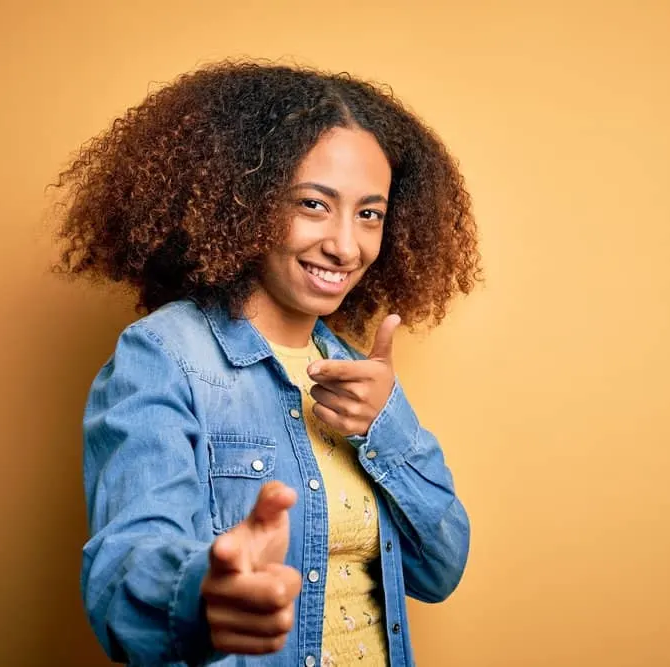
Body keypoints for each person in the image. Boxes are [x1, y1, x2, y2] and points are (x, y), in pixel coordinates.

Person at [52, 60, 480, 666]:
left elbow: (440, 570)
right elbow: (124, 576)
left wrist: (387, 428)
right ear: (245, 202)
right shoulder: (166, 355)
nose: (345, 245)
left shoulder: (359, 375)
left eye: (369, 213)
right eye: (313, 203)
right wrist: (204, 592)